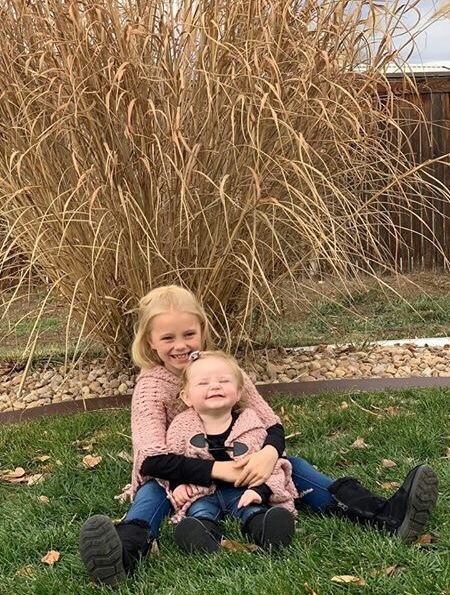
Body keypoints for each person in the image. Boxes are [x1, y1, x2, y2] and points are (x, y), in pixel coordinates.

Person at [79, 285, 439, 585]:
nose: (181, 345)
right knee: (150, 493)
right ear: (150, 341)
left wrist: (268, 454)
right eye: (167, 338)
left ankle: (383, 515)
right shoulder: (151, 387)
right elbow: (152, 459)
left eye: (189, 334)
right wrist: (219, 471)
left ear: (202, 330)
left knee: (294, 466)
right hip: (181, 478)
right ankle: (123, 554)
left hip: (246, 465)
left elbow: (271, 424)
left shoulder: (222, 370)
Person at [148, 350, 297, 553]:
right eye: (203, 383)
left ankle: (267, 530)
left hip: (242, 489)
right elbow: (174, 461)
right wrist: (177, 485)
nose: (215, 386)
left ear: (239, 392)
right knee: (200, 512)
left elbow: (272, 466)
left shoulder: (250, 424)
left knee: (252, 510)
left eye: (224, 381)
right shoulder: (181, 427)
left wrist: (259, 491)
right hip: (201, 493)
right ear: (187, 397)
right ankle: (200, 537)